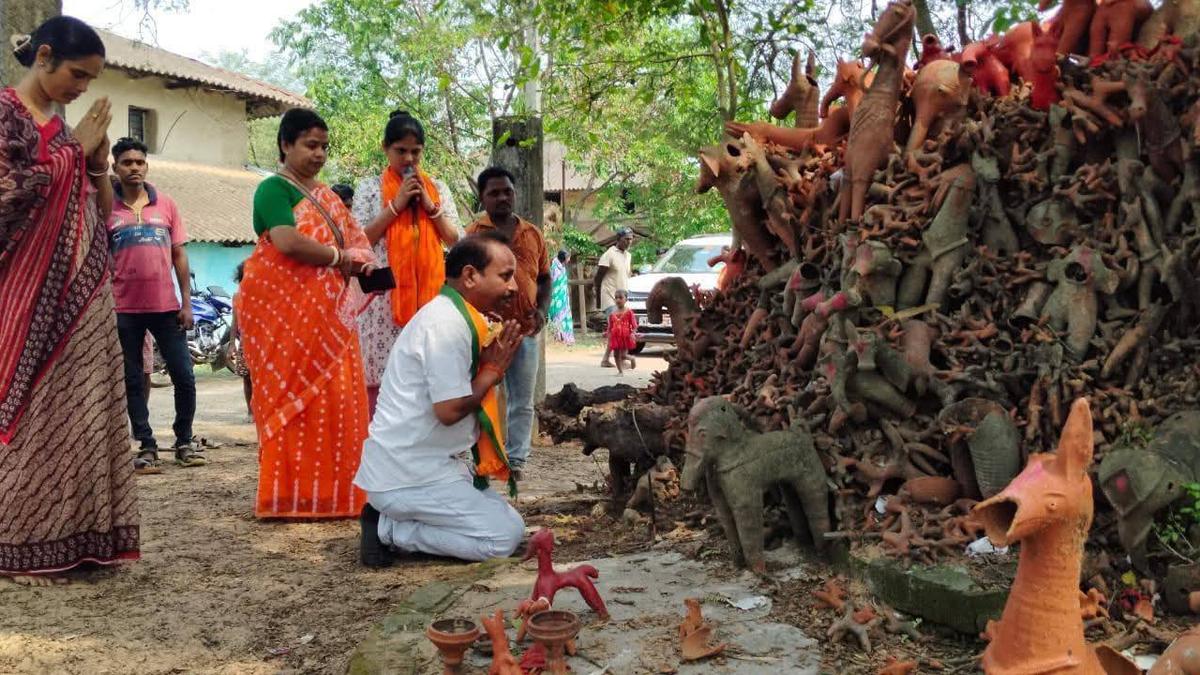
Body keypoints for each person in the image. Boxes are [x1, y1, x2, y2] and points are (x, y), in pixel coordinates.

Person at [0, 16, 140, 584]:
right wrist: (68, 153)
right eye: (77, 75)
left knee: (85, 413)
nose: (82, 88)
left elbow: (98, 212)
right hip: (26, 298)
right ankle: (19, 542)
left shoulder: (65, 130)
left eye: (90, 80)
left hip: (86, 295)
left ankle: (81, 540)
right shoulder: (6, 115)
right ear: (45, 57)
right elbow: (7, 197)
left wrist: (97, 162)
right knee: (33, 417)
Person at [237, 108, 378, 519]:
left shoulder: (329, 197)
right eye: (310, 145)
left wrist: (361, 261)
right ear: (285, 145)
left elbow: (358, 241)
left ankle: (340, 497)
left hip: (330, 320)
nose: (319, 154)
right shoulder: (273, 191)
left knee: (339, 401)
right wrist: (340, 258)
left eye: (324, 147)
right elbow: (287, 242)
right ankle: (287, 499)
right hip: (284, 316)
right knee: (291, 402)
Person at [355, 233, 525, 566]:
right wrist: (491, 372)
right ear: (470, 276)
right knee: (502, 537)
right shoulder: (445, 324)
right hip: (408, 474)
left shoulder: (457, 316)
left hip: (427, 467)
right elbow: (448, 411)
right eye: (505, 276)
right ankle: (390, 530)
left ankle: (393, 520)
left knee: (514, 525)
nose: (514, 287)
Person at [352, 111, 461, 417]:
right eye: (401, 150)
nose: (409, 158)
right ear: (386, 148)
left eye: (416, 151)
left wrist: (429, 206)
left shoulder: (437, 188)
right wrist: (396, 205)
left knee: (426, 388)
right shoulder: (369, 188)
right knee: (383, 396)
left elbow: (456, 241)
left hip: (430, 307)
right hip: (382, 307)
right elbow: (359, 241)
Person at [108, 136, 204, 470]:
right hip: (123, 309)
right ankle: (146, 446)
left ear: (146, 166)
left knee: (185, 376)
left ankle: (184, 441)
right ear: (115, 167)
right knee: (132, 380)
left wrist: (187, 302)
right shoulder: (107, 207)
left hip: (166, 307)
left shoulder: (167, 205)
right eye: (127, 162)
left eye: (139, 162)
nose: (134, 168)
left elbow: (179, 253)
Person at [467, 167, 550, 477]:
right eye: (494, 192)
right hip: (489, 331)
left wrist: (541, 310)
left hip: (526, 331)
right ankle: (482, 458)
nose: (502, 197)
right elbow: (466, 280)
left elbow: (544, 278)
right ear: (482, 198)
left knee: (522, 401)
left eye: (507, 191)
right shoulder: (474, 233)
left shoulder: (532, 233)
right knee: (482, 392)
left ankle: (516, 461)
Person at [593, 228, 634, 367]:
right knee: (618, 328)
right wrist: (598, 299)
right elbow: (598, 278)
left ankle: (606, 359)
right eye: (626, 239)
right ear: (618, 239)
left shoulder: (628, 256)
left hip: (622, 298)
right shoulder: (609, 254)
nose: (629, 242)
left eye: (630, 239)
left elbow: (625, 276)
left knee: (620, 329)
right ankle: (620, 360)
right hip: (610, 296)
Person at [226, 262, 252, 422]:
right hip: (245, 343)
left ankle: (260, 410)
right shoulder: (237, 297)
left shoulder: (262, 294)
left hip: (261, 344)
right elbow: (234, 322)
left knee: (260, 379)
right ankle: (251, 411)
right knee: (247, 378)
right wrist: (231, 344)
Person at [606, 290, 638, 375]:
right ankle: (620, 371)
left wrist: (632, 333)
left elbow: (634, 325)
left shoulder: (629, 312)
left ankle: (631, 358)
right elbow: (610, 326)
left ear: (626, 299)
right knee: (616, 355)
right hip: (615, 337)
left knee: (623, 356)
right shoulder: (612, 313)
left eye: (620, 298)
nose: (618, 300)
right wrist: (607, 334)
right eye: (616, 298)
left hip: (625, 337)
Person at [549, 249, 575, 345]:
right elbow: (553, 282)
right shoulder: (554, 267)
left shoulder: (563, 268)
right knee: (557, 315)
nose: (569, 260)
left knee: (564, 316)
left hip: (563, 297)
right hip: (556, 297)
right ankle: (558, 337)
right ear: (563, 258)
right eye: (568, 257)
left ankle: (565, 337)